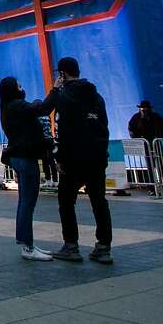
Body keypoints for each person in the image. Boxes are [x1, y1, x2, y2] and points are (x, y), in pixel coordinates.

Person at [43, 57, 112, 264]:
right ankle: (104, 247)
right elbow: (103, 127)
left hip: (73, 158)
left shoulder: (63, 95)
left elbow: (58, 123)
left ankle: (71, 245)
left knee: (66, 202)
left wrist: (60, 158)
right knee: (99, 202)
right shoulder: (96, 96)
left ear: (62, 74)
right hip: (96, 157)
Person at [0, 77, 53, 261]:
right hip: (25, 156)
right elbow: (41, 108)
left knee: (25, 202)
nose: (22, 88)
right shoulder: (17, 106)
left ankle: (27, 243)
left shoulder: (8, 108)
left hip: (19, 156)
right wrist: (54, 91)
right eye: (19, 85)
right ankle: (27, 246)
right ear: (12, 89)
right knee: (27, 202)